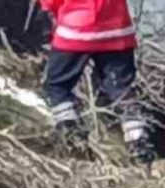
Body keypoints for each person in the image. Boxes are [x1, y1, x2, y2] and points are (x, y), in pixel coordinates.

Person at [38, 0, 153, 162]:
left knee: (56, 85)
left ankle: (71, 132)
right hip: (117, 30)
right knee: (122, 90)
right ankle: (138, 141)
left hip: (76, 31)